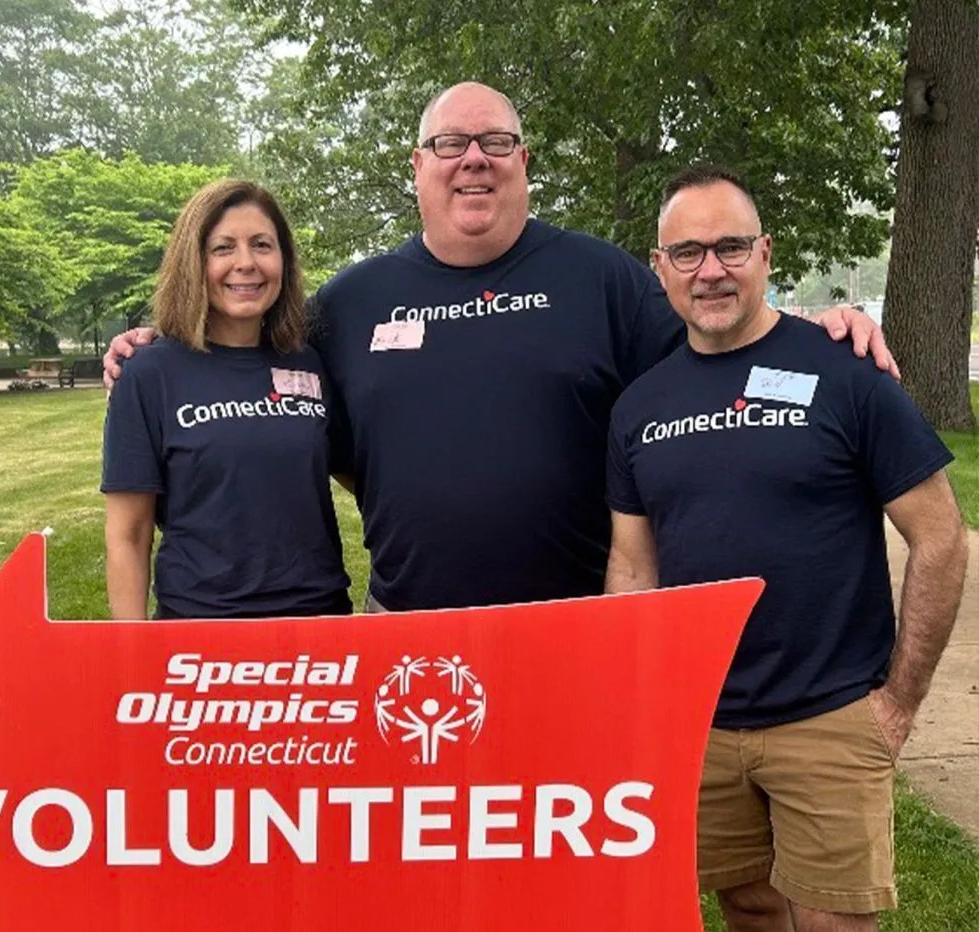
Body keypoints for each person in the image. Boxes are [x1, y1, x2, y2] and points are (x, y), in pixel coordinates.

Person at [105, 82, 894, 612]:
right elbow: (259, 360)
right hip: (406, 628)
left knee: (573, 843)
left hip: (580, 618)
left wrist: (819, 333)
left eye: (495, 141)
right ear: (418, 168)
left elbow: (716, 341)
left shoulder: (602, 278)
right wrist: (160, 344)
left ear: (524, 162)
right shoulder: (348, 304)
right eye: (450, 145)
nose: (473, 159)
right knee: (421, 849)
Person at [603, 164, 967, 932]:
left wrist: (899, 701)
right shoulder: (639, 407)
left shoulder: (847, 374)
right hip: (701, 719)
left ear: (766, 253)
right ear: (659, 268)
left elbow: (939, 536)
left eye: (731, 247)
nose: (712, 271)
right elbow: (634, 567)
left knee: (835, 921)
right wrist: (635, 705)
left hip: (830, 712)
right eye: (689, 252)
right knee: (748, 905)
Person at [101, 179, 352, 620]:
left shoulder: (310, 363)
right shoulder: (147, 373)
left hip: (318, 621)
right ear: (192, 263)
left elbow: (356, 471)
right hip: (199, 629)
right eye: (223, 248)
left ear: (283, 260)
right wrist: (131, 654)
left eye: (261, 245)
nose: (246, 264)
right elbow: (129, 534)